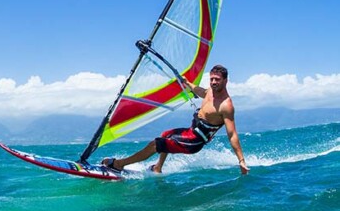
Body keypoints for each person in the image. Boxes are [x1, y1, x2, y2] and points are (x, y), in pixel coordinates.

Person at [102, 65, 249, 175]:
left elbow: (232, 134)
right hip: (191, 131)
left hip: (195, 141)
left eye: (217, 79)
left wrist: (241, 160)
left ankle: (119, 164)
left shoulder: (226, 105)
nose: (213, 82)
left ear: (225, 80)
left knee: (156, 145)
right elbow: (201, 92)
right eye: (211, 79)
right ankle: (158, 167)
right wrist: (186, 83)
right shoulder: (211, 91)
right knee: (165, 134)